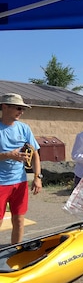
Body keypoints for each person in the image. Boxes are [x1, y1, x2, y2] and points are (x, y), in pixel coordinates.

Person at [0, 93, 42, 245]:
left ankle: (15, 250)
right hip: (1, 183)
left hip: (20, 182)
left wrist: (37, 177)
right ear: (5, 107)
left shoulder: (24, 128)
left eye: (23, 109)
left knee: (19, 220)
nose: (21, 112)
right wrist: (8, 155)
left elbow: (35, 153)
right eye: (18, 108)